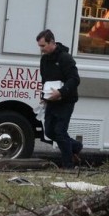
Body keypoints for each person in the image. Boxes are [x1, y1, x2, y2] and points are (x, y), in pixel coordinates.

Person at [36, 29, 83, 168]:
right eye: (40, 46)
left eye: (43, 46)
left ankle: (68, 166)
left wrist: (61, 92)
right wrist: (43, 96)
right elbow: (44, 79)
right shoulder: (44, 60)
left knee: (60, 132)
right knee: (49, 131)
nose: (41, 49)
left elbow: (75, 79)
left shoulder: (65, 58)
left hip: (66, 100)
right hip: (51, 100)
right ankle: (76, 146)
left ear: (52, 42)